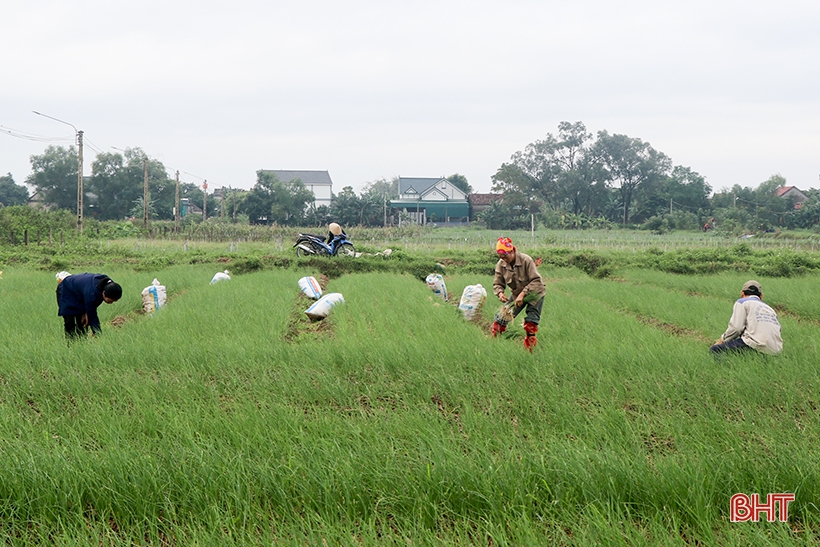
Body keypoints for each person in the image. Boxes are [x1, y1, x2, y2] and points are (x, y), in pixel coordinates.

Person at [491, 237, 546, 351]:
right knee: (501, 319)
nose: (503, 259)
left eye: (505, 256)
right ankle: (493, 345)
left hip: (535, 293)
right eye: (501, 257)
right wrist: (500, 293)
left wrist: (524, 293)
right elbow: (497, 283)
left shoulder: (526, 260)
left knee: (531, 323)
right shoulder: (501, 265)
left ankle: (530, 350)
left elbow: (536, 280)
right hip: (517, 295)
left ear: (512, 251)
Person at [710, 280, 782, 355]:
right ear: (761, 297)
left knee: (715, 350)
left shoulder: (742, 302)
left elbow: (736, 328)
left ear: (742, 293)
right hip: (775, 350)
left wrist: (723, 340)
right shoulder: (770, 309)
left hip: (755, 345)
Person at [56, 273, 122, 341]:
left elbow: (92, 305)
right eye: (110, 300)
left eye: (114, 301)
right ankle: (70, 344)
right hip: (66, 289)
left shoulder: (110, 286)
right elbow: (92, 316)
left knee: (82, 323)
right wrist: (98, 334)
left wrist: (86, 312)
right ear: (104, 293)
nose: (111, 303)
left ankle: (82, 343)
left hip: (81, 293)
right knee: (69, 321)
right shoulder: (92, 292)